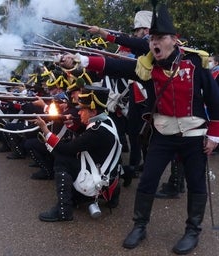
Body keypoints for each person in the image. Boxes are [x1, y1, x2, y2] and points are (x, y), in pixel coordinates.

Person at [58, 4, 219, 254]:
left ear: (174, 41)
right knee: (147, 181)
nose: (154, 43)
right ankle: (140, 225)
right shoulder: (147, 66)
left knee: (197, 184)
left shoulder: (196, 63)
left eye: (160, 38)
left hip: (194, 135)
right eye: (152, 38)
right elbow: (114, 66)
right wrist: (81, 60)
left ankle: (193, 231)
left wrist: (214, 135)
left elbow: (214, 99)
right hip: (163, 135)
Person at [33, 85, 122, 222]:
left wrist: (46, 130)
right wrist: (73, 121)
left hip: (97, 180)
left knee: (62, 159)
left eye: (82, 110)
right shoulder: (106, 120)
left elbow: (67, 148)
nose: (79, 113)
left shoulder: (96, 132)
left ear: (92, 111)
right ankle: (112, 193)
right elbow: (86, 136)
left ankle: (64, 211)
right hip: (107, 176)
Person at [88, 10, 153, 185]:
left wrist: (102, 32)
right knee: (138, 133)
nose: (136, 33)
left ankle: (138, 167)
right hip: (140, 92)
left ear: (146, 30)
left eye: (138, 30)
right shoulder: (144, 45)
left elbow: (127, 41)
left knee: (141, 133)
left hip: (147, 94)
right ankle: (140, 165)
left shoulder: (149, 44)